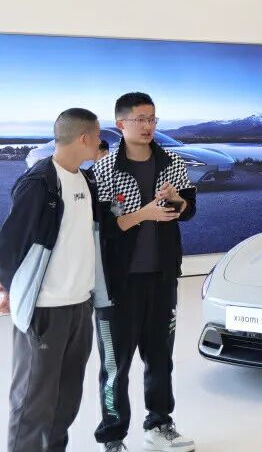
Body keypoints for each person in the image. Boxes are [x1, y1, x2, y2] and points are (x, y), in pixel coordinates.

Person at [0, 109, 113, 452]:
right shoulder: (40, 183)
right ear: (84, 138)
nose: (100, 143)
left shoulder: (86, 180)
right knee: (33, 401)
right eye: (98, 137)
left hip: (80, 305)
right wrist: (6, 288)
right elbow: (11, 242)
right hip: (44, 308)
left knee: (66, 398)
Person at [93, 92, 197, 452]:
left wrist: (179, 201)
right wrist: (144, 214)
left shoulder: (172, 161)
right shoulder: (104, 168)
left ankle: (159, 424)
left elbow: (189, 209)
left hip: (162, 277)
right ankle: (112, 437)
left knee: (160, 358)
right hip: (117, 283)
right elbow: (103, 228)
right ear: (121, 124)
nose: (148, 125)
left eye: (153, 118)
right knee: (115, 365)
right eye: (140, 119)